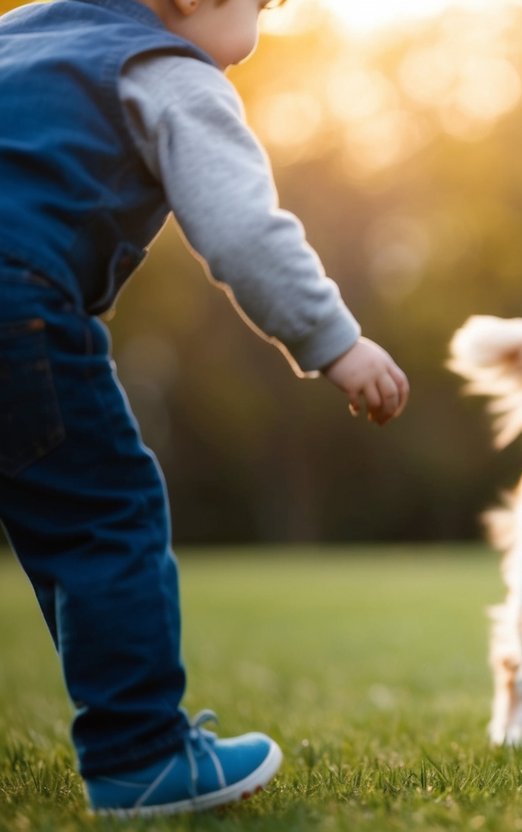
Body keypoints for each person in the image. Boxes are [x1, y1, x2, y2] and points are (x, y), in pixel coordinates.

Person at [0, 0, 410, 817]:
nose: (260, 31)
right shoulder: (163, 72)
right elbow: (244, 232)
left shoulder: (21, 34)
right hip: (18, 299)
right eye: (261, 6)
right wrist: (335, 341)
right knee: (102, 516)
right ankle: (141, 754)